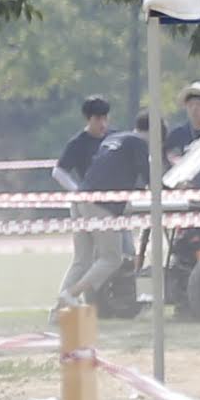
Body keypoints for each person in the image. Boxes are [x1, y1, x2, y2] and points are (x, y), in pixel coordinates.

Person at [54, 96, 123, 308]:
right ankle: (68, 299)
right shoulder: (78, 143)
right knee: (92, 258)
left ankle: (61, 306)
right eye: (97, 119)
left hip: (106, 203)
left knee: (87, 260)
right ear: (88, 119)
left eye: (105, 118)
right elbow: (59, 171)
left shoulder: (114, 138)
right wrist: (78, 191)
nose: (102, 123)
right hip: (87, 205)